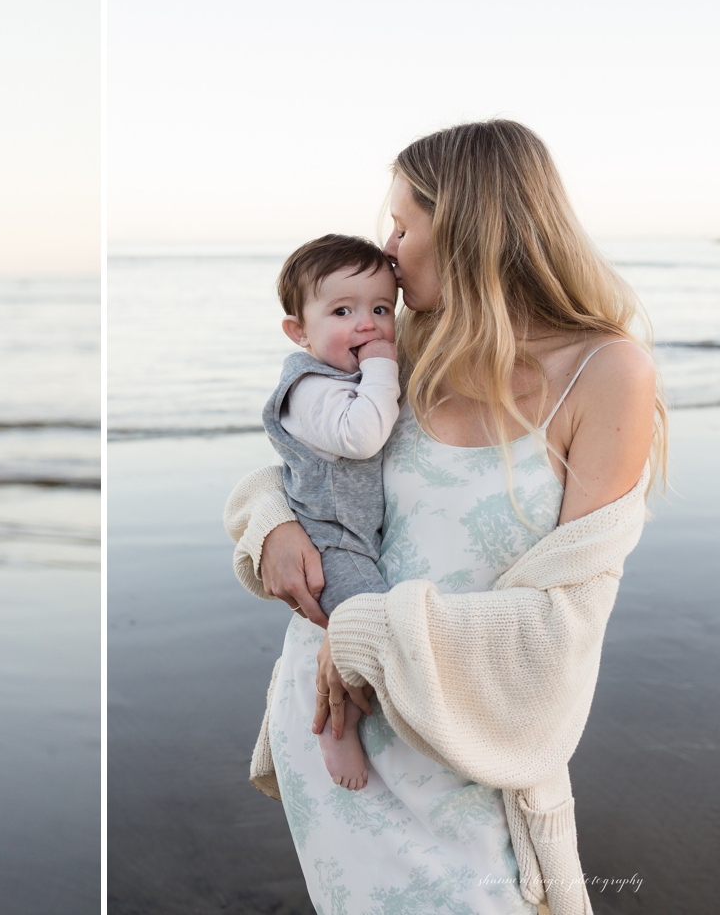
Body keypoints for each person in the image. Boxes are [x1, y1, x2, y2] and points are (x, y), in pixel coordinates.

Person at [226, 120, 663, 915]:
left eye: (401, 226)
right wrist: (269, 524)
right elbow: (303, 463)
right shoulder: (407, 352)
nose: (385, 252)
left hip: (467, 757)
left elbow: (566, 624)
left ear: (468, 226)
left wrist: (363, 632)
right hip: (336, 736)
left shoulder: (607, 372)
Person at [262, 235, 401, 792]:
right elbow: (364, 436)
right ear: (299, 331)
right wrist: (386, 368)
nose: (366, 325)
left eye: (381, 309)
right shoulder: (311, 387)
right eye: (342, 311)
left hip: (354, 536)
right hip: (330, 542)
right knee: (366, 630)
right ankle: (333, 730)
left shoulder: (348, 375)